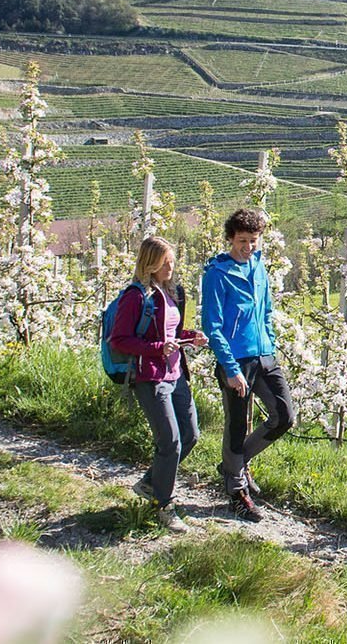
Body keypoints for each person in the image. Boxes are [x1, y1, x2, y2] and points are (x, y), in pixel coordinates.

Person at [202, 207, 294, 521]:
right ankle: (236, 490)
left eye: (253, 240)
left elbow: (266, 310)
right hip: (236, 360)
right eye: (242, 240)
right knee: (237, 425)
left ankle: (234, 466)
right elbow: (212, 325)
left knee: (284, 416)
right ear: (231, 238)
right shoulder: (217, 273)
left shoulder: (258, 266)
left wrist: (270, 343)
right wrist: (230, 368)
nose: (248, 246)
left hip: (264, 355)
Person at [110, 235, 202, 532]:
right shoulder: (136, 297)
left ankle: (151, 483)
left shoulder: (169, 291)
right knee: (170, 441)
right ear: (150, 264)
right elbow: (121, 339)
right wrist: (157, 348)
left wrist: (191, 337)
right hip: (150, 378)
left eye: (173, 262)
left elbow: (170, 331)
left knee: (190, 435)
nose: (171, 268)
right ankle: (163, 506)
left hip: (175, 375)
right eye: (165, 263)